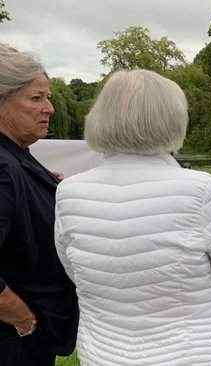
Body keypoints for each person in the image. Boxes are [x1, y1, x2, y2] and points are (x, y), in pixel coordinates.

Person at [54, 70, 211, 365]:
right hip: (195, 354)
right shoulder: (199, 190)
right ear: (172, 119)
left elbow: (75, 271)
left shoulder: (69, 192)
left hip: (105, 354)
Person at [0, 44, 79, 365]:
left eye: (47, 97)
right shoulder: (3, 167)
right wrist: (21, 317)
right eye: (36, 98)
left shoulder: (16, 155)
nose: (50, 108)